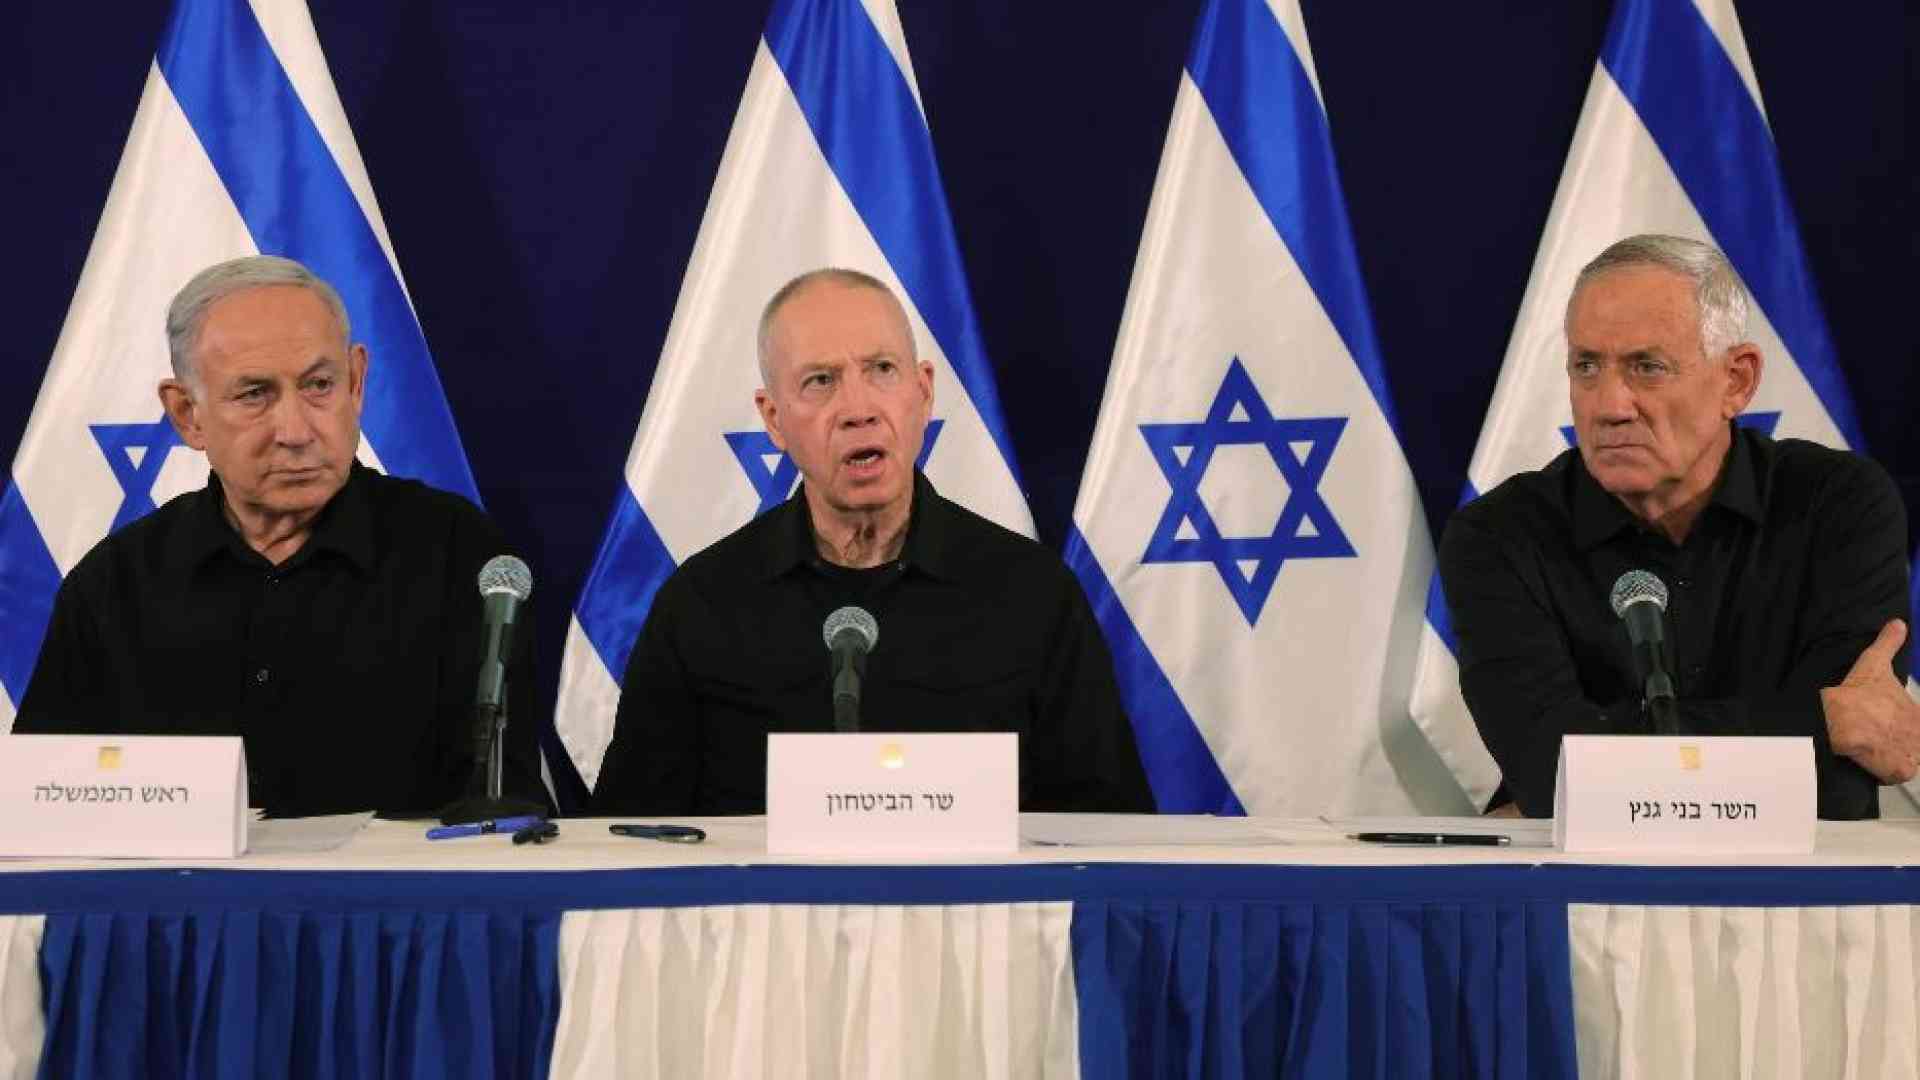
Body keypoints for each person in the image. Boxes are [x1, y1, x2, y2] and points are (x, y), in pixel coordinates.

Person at [592, 267, 1154, 815]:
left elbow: (1109, 829)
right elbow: (630, 837)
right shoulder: (702, 604)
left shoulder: (1033, 594)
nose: (858, 411)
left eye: (882, 369)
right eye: (821, 381)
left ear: (923, 392)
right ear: (774, 419)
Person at [14, 255, 547, 818]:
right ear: (187, 414)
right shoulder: (115, 585)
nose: (295, 431)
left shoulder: (458, 555)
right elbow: (44, 809)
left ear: (356, 383)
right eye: (254, 394)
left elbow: (498, 806)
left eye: (319, 385)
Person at [1439, 234, 1916, 819]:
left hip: (1802, 875)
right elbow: (1549, 773)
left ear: (1737, 381)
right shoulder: (1500, 535)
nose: (1610, 405)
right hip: (1592, 878)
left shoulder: (1838, 506)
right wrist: (1821, 724)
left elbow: (1843, 778)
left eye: (1647, 368)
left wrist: (1612, 762)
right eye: (1586, 366)